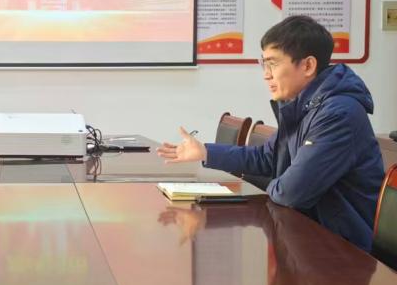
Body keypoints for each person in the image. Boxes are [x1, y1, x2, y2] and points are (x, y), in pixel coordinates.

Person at [157, 15, 385, 251]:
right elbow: (267, 158)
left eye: (273, 64)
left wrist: (276, 184)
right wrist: (205, 152)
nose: (266, 74)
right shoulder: (304, 104)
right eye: (264, 64)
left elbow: (291, 193)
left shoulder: (338, 115)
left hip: (343, 251)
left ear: (308, 66)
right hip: (309, 236)